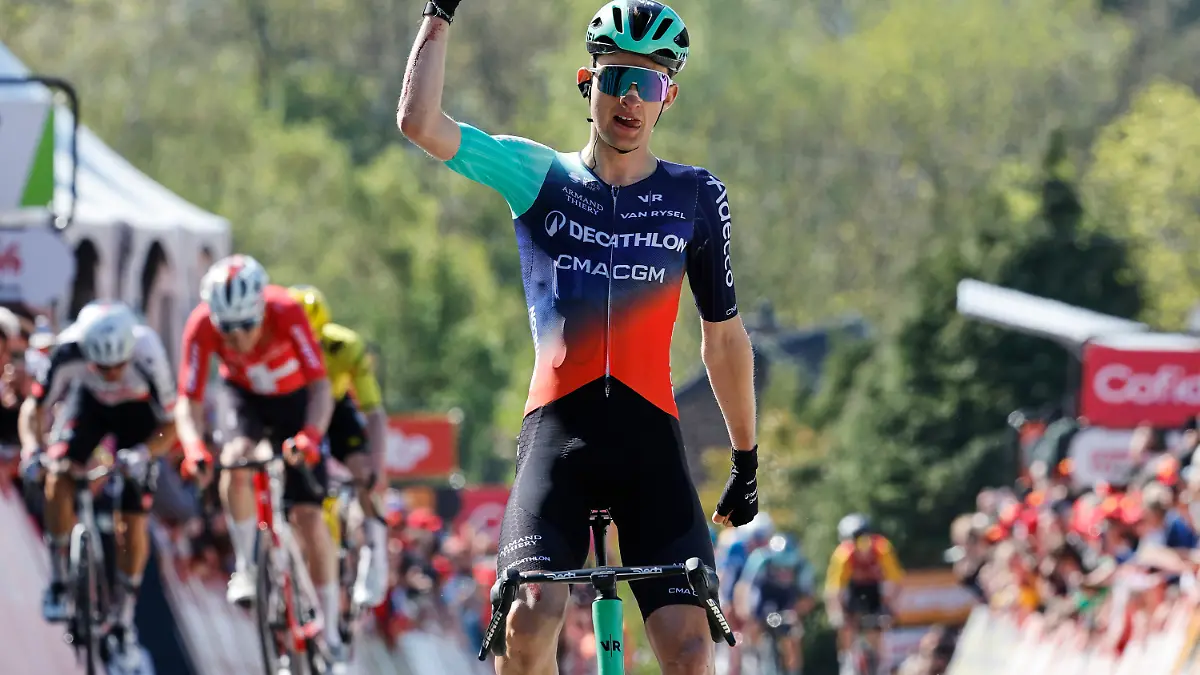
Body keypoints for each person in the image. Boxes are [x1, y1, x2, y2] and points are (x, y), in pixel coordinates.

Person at [398, 1, 760, 672]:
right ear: (585, 83)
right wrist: (439, 13)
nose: (629, 97)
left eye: (647, 84)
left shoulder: (697, 196)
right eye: (616, 77)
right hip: (557, 442)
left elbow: (724, 339)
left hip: (649, 445)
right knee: (529, 621)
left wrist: (746, 458)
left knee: (688, 648)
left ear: (668, 98)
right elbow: (419, 123)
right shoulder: (540, 176)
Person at [173, 255, 346, 664]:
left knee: (307, 516)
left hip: (295, 402)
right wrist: (195, 447)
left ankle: (331, 621)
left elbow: (320, 387)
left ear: (261, 311)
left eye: (245, 327)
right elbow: (188, 402)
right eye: (225, 330)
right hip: (244, 399)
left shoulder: (285, 310)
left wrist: (310, 435)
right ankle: (248, 567)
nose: (236, 340)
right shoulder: (200, 324)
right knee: (234, 459)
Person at [18, 302, 178, 670]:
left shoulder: (149, 352)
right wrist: (32, 450)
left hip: (139, 420)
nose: (110, 374)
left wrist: (143, 453)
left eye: (118, 366)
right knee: (58, 471)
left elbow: (170, 425)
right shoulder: (68, 349)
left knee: (133, 519)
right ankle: (59, 580)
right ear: (86, 353)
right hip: (88, 407)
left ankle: (123, 616)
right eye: (101, 367)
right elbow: (34, 408)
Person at [287, 284, 390, 608]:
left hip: (335, 405)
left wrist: (377, 464)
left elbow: (373, 411)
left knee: (362, 471)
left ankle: (375, 549)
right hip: (296, 410)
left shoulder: (345, 346)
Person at [825, 514, 904, 674]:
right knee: (845, 625)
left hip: (874, 590)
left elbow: (896, 581)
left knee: (875, 629)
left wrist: (891, 608)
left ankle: (880, 665)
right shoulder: (843, 555)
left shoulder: (882, 548)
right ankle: (847, 660)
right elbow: (834, 590)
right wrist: (836, 614)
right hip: (853, 591)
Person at [735, 534, 815, 675]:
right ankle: (751, 660)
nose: (783, 572)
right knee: (754, 623)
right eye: (780, 567)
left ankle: (793, 670)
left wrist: (796, 613)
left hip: (787, 600)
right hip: (763, 595)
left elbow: (808, 598)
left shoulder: (802, 566)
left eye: (788, 568)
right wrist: (745, 611)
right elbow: (744, 587)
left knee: (792, 636)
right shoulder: (761, 559)